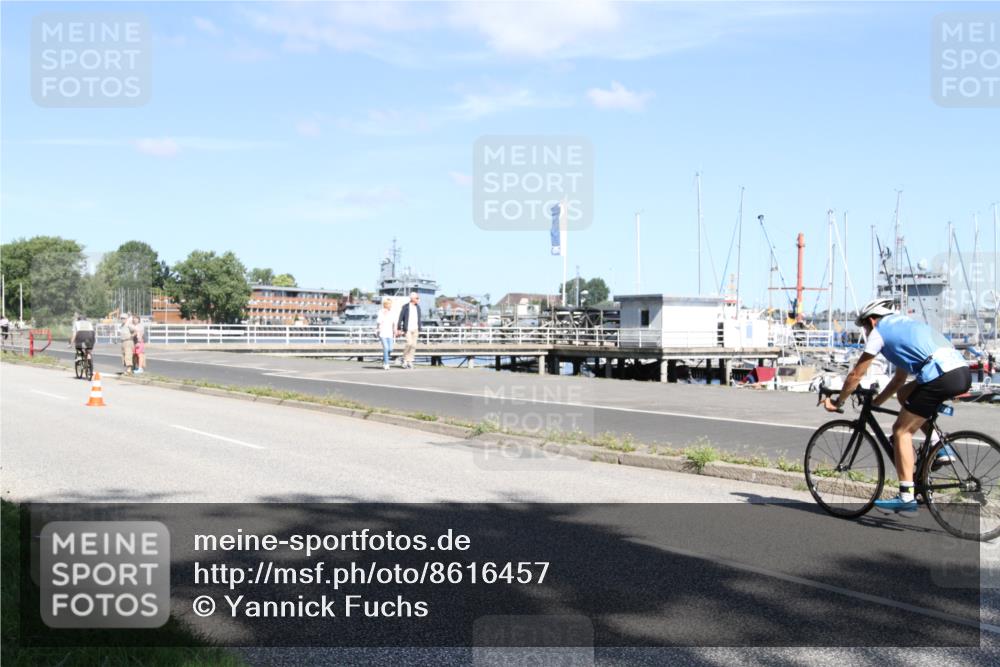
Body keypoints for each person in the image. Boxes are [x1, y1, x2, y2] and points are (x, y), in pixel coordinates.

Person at [822, 298, 971, 515]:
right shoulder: (904, 327)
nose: (864, 330)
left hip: (940, 376)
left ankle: (906, 496)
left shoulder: (879, 332)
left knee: (901, 431)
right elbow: (899, 381)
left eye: (863, 325)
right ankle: (940, 447)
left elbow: (856, 374)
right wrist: (876, 403)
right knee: (904, 395)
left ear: (871, 321)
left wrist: (838, 401)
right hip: (960, 372)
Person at [396, 292, 421, 369]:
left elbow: (419, 318)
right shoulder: (406, 307)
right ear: (412, 299)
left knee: (413, 346)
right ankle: (404, 359)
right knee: (409, 343)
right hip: (408, 329)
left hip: (416, 328)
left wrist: (420, 327)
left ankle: (409, 361)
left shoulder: (418, 307)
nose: (418, 299)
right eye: (417, 298)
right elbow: (400, 317)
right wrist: (399, 328)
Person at [375, 299, 395, 370]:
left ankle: (384, 360)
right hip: (383, 333)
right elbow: (378, 322)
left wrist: (394, 330)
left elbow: (393, 322)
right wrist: (377, 330)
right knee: (386, 348)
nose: (391, 305)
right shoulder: (381, 312)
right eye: (390, 304)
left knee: (390, 349)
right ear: (386, 304)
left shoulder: (392, 312)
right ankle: (386, 363)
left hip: (390, 333)